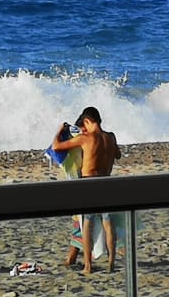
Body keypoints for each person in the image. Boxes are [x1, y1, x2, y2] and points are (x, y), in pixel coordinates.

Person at [52, 106, 121, 273]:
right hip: (106, 182)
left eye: (85, 124)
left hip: (88, 183)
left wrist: (60, 129)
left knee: (87, 224)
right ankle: (111, 263)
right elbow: (118, 155)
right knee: (108, 224)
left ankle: (88, 265)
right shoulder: (110, 137)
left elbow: (56, 146)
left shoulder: (85, 139)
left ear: (88, 121)